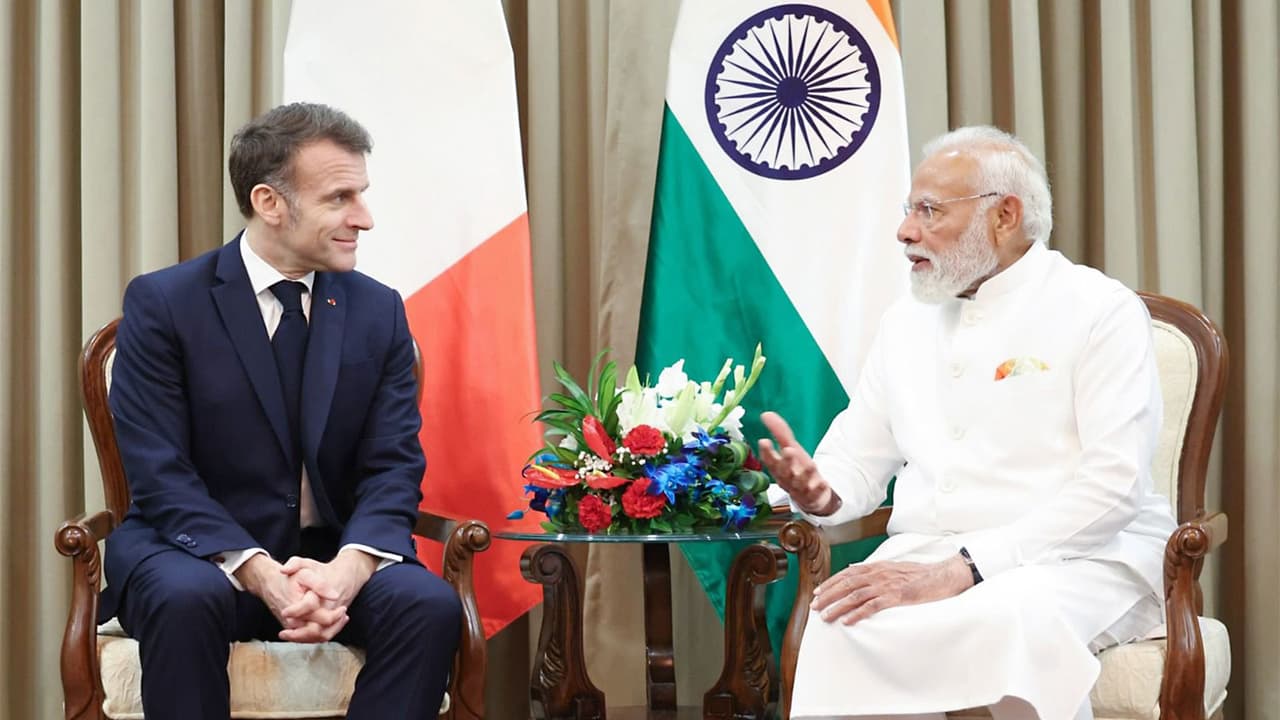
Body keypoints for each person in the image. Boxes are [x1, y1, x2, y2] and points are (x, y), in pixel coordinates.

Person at [758, 126, 1175, 720]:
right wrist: (820, 494)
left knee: (1011, 617)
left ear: (1005, 216)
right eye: (908, 210)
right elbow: (857, 458)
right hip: (928, 550)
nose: (905, 231)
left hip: (1081, 556)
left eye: (929, 211)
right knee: (840, 620)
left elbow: (1114, 485)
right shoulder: (905, 322)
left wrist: (968, 568)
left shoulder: (1099, 309)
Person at [100, 102, 462, 719]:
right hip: (196, 555)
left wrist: (349, 570)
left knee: (427, 606)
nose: (365, 218)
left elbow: (394, 467)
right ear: (269, 203)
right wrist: (257, 570)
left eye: (362, 194)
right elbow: (159, 471)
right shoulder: (166, 303)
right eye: (340, 198)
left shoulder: (379, 311)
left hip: (331, 556)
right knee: (184, 599)